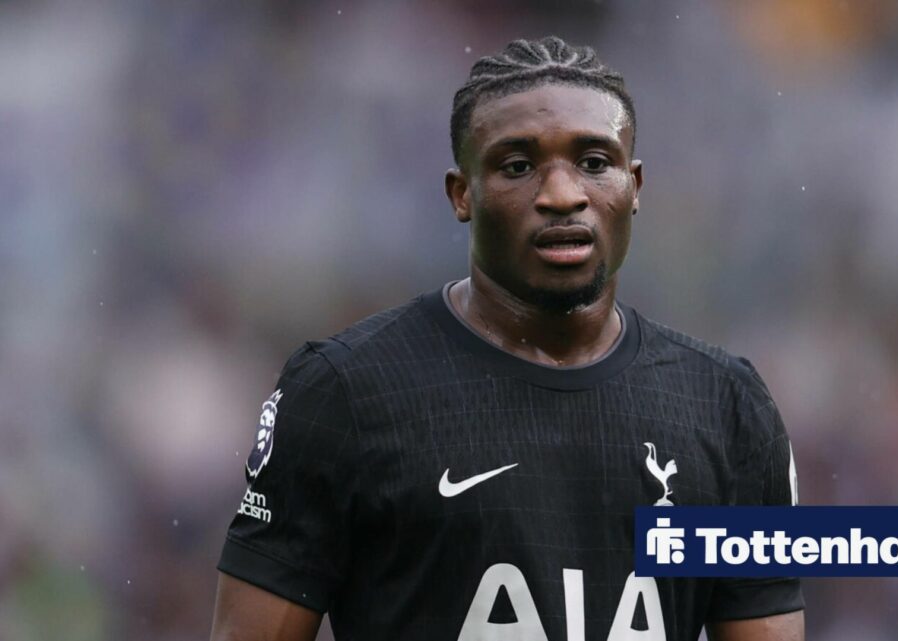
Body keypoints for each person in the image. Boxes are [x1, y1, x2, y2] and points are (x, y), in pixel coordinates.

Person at [210, 36, 804, 641]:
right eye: (518, 166)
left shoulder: (728, 408)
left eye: (595, 163)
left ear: (635, 186)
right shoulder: (346, 393)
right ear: (462, 193)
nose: (562, 195)